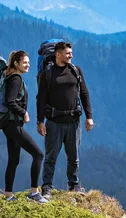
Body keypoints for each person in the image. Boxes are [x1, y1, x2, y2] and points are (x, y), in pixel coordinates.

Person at [36, 42, 94, 199]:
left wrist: (89, 117)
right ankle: (47, 186)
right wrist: (40, 121)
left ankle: (73, 184)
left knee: (73, 156)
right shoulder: (47, 73)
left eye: (71, 52)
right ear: (58, 54)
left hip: (74, 121)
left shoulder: (76, 71)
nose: (71, 55)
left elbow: (84, 94)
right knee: (50, 157)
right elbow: (41, 98)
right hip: (54, 122)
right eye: (68, 53)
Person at [2, 50, 48, 203]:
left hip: (9, 124)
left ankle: (8, 195)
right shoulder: (15, 79)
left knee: (13, 160)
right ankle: (34, 192)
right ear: (16, 63)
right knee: (38, 154)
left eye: (28, 62)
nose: (28, 65)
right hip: (14, 125)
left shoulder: (11, 77)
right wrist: (24, 113)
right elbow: (10, 101)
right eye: (25, 62)